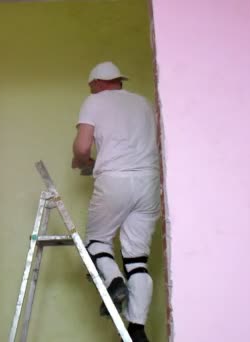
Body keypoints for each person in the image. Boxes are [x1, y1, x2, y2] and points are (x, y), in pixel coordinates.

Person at [71, 61, 160, 342]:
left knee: (96, 241)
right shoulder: (144, 104)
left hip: (115, 180)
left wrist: (81, 160)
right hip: (149, 181)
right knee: (137, 259)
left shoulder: (94, 101)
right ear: (118, 80)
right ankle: (137, 328)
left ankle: (114, 281)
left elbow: (83, 146)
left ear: (97, 83)